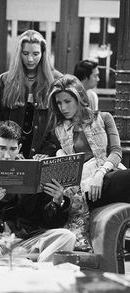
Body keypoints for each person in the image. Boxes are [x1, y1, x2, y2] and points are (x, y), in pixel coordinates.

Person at [0, 120, 76, 262]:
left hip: (28, 239)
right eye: (2, 148)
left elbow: (49, 222)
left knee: (66, 236)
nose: (6, 155)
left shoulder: (33, 172)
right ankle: (6, 268)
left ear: (19, 148)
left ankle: (36, 275)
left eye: (12, 149)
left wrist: (57, 202)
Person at [48, 74, 130, 250]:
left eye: (67, 101)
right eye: (59, 103)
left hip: (105, 176)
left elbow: (116, 152)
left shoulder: (104, 118)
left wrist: (99, 175)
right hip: (82, 190)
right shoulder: (59, 130)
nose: (62, 107)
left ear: (79, 97)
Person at [0, 30, 62, 159]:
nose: (30, 59)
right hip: (11, 152)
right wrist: (6, 151)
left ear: (43, 54)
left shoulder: (56, 80)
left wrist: (48, 151)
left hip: (43, 153)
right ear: (19, 54)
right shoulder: (3, 81)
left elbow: (59, 123)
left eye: (35, 54)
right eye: (25, 53)